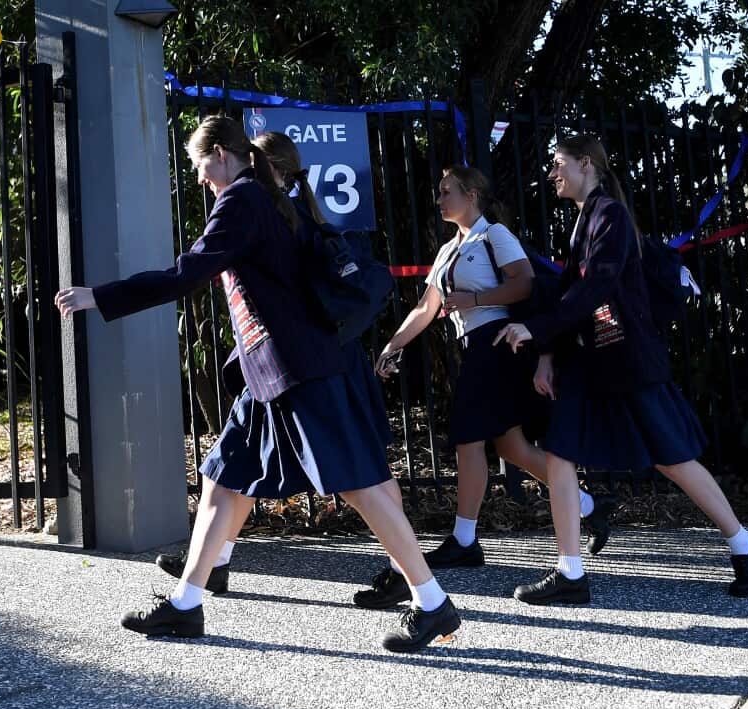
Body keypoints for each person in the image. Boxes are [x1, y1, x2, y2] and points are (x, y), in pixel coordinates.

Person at [54, 116, 459, 652]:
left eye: (199, 166)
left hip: (299, 368)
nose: (198, 179)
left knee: (358, 482)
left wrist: (99, 296)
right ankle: (186, 603)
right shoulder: (264, 195)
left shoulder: (243, 198)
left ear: (221, 154)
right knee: (225, 478)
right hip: (271, 372)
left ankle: (433, 604)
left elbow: (186, 274)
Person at [494, 134, 748, 604]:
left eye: (558, 163)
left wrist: (537, 331)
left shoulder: (610, 215)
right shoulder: (587, 218)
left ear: (586, 164)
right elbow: (572, 295)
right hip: (589, 360)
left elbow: (596, 288)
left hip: (625, 360)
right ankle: (570, 573)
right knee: (560, 454)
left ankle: (747, 546)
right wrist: (548, 354)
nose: (552, 173)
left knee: (673, 458)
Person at [152, 130, 411, 609]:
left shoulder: (275, 210)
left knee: (364, 475)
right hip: (289, 360)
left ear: (262, 165)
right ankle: (210, 568)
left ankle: (411, 578)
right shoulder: (285, 207)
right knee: (231, 470)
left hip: (318, 357)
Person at [372, 165, 615, 581]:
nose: (439, 197)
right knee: (511, 448)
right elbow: (427, 307)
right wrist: (393, 345)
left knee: (468, 438)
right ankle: (590, 506)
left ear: (472, 196)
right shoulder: (449, 249)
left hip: (498, 345)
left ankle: (464, 541)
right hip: (477, 347)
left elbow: (524, 284)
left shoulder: (494, 235)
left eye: (447, 190)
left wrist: (475, 297)